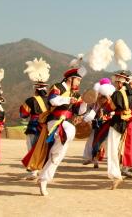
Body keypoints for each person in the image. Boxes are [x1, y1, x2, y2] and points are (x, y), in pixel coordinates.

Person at [37, 61, 87, 196]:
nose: (79, 83)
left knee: (59, 155)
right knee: (69, 131)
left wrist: (86, 103)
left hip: (67, 122)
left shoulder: (76, 94)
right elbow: (52, 100)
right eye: (78, 80)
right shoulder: (58, 86)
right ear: (70, 78)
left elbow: (79, 110)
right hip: (55, 121)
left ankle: (43, 179)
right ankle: (53, 153)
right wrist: (67, 100)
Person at [106, 71, 132, 189]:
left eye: (116, 82)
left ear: (120, 82)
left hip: (117, 123)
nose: (115, 84)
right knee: (120, 148)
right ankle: (117, 173)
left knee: (112, 149)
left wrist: (108, 100)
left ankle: (116, 175)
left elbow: (110, 108)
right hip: (127, 122)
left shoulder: (118, 93)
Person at [19, 80, 49, 180]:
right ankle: (43, 170)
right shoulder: (51, 100)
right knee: (44, 149)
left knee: (31, 147)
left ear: (36, 90)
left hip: (34, 126)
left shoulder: (31, 100)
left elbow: (24, 114)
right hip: (47, 127)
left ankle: (33, 171)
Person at [82, 78, 115, 168]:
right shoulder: (97, 102)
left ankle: (97, 159)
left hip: (107, 124)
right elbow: (92, 113)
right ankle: (94, 159)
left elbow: (113, 111)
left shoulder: (111, 102)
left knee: (101, 142)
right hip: (98, 124)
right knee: (95, 142)